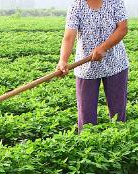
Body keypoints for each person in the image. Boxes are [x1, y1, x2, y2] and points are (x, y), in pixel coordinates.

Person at [56, 0, 130, 131]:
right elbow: (69, 36)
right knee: (86, 117)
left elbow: (123, 28)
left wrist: (104, 47)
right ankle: (87, 145)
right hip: (86, 67)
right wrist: (63, 61)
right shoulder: (77, 5)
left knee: (118, 115)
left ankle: (118, 141)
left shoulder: (114, 1)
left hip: (115, 63)